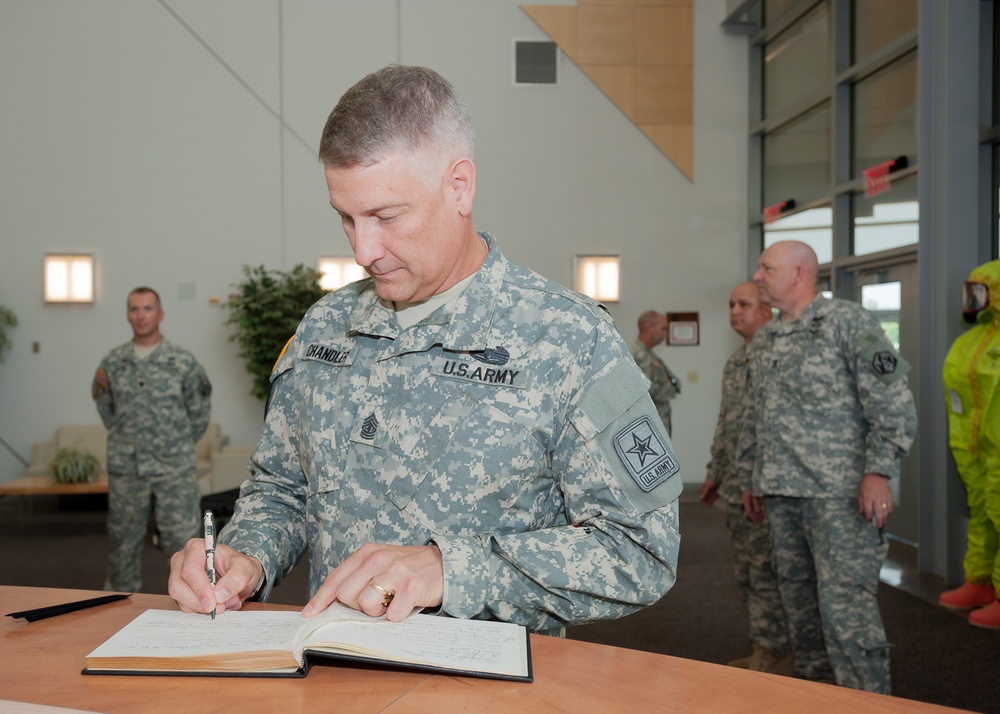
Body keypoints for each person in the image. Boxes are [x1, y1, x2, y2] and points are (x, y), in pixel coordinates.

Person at [168, 65, 683, 634]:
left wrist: (450, 569)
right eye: (346, 218)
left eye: (387, 217)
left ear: (459, 187)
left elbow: (642, 550)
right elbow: (281, 490)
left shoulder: (571, 339)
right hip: (332, 678)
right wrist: (243, 557)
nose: (364, 250)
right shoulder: (325, 328)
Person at [736, 240, 916, 694]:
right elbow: (755, 414)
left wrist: (878, 471)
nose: (757, 276)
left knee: (846, 614)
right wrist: (750, 477)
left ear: (798, 273)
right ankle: (815, 698)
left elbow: (895, 401)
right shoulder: (768, 339)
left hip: (839, 498)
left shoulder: (852, 323)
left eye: (766, 267)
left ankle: (869, 702)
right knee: (801, 612)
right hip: (782, 494)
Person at [92, 286, 212, 592]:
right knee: (123, 545)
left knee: (185, 547)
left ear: (160, 315)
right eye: (134, 309)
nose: (141, 315)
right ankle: (117, 613)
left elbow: (199, 413)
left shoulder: (182, 361)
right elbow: (105, 405)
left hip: (173, 471)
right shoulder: (114, 362)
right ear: (127, 315)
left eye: (147, 309)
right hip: (127, 470)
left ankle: (194, 606)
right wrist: (126, 438)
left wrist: (174, 446)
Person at [699, 282, 791, 674]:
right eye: (732, 304)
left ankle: (775, 652)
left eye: (744, 304)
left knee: (770, 574)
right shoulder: (738, 361)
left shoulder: (781, 357)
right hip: (738, 490)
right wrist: (715, 473)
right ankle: (764, 646)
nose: (735, 311)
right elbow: (728, 423)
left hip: (771, 490)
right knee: (747, 575)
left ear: (766, 309)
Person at [940, 259, 1000, 629]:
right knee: (982, 513)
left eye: (983, 289)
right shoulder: (971, 340)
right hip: (972, 447)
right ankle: (979, 582)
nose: (974, 297)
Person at [630, 310, 682, 436]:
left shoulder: (650, 355)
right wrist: (669, 384)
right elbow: (652, 392)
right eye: (663, 329)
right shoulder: (638, 356)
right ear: (650, 328)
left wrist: (671, 383)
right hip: (648, 430)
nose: (666, 334)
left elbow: (677, 384)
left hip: (656, 427)